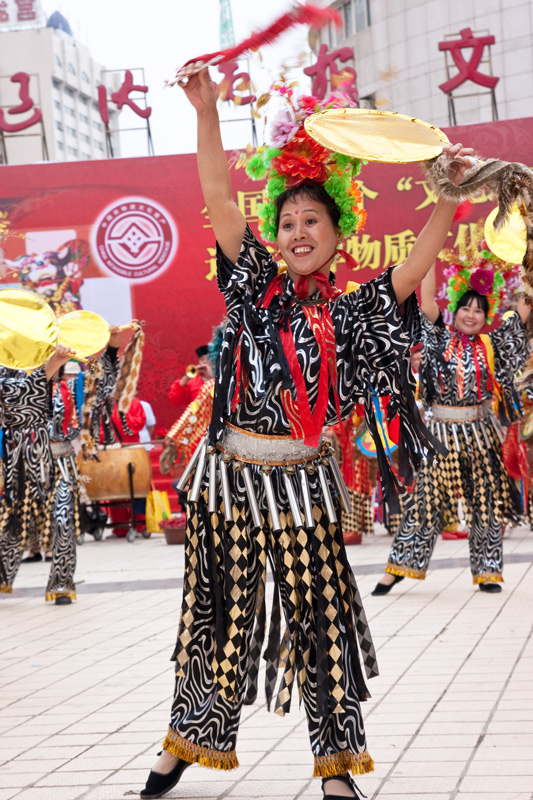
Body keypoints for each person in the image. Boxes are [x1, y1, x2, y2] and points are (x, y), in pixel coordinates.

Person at [140, 69, 475, 800]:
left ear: (336, 235)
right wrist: (207, 112)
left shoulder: (354, 314)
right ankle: (184, 743)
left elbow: (416, 264)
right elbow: (219, 200)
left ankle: (335, 770)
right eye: (287, 222)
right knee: (215, 621)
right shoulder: (252, 282)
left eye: (310, 223)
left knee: (323, 627)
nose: (295, 232)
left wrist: (447, 198)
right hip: (227, 482)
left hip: (302, 487)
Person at [372, 257, 530, 597]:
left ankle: (488, 572)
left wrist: (527, 271)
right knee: (425, 503)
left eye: (478, 311)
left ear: (485, 318)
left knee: (485, 504)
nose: (471, 315)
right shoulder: (436, 339)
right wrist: (427, 257)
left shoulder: (491, 345)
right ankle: (398, 569)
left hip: (480, 434)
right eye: (466, 309)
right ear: (455, 312)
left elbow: (521, 316)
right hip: (440, 435)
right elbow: (426, 302)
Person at [0, 343, 75, 599]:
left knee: (63, 520)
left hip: (61, 461)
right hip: (19, 461)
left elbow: (109, 386)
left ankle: (62, 584)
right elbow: (13, 396)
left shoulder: (69, 385)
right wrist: (49, 365)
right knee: (11, 523)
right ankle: (2, 576)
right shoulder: (8, 371)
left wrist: (111, 347)